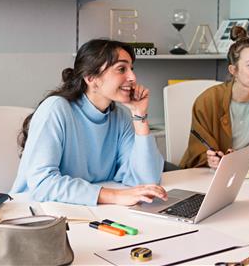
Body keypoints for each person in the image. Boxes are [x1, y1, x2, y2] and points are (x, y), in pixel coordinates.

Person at [11, 39, 167, 206]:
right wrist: (115, 196)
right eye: (122, 69)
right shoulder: (56, 109)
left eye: (131, 69)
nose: (133, 77)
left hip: (90, 211)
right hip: (35, 212)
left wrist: (139, 115)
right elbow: (42, 183)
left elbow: (147, 180)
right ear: (91, 78)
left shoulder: (119, 116)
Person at [179, 26, 249, 169]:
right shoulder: (208, 100)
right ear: (234, 70)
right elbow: (197, 149)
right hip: (211, 174)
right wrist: (211, 159)